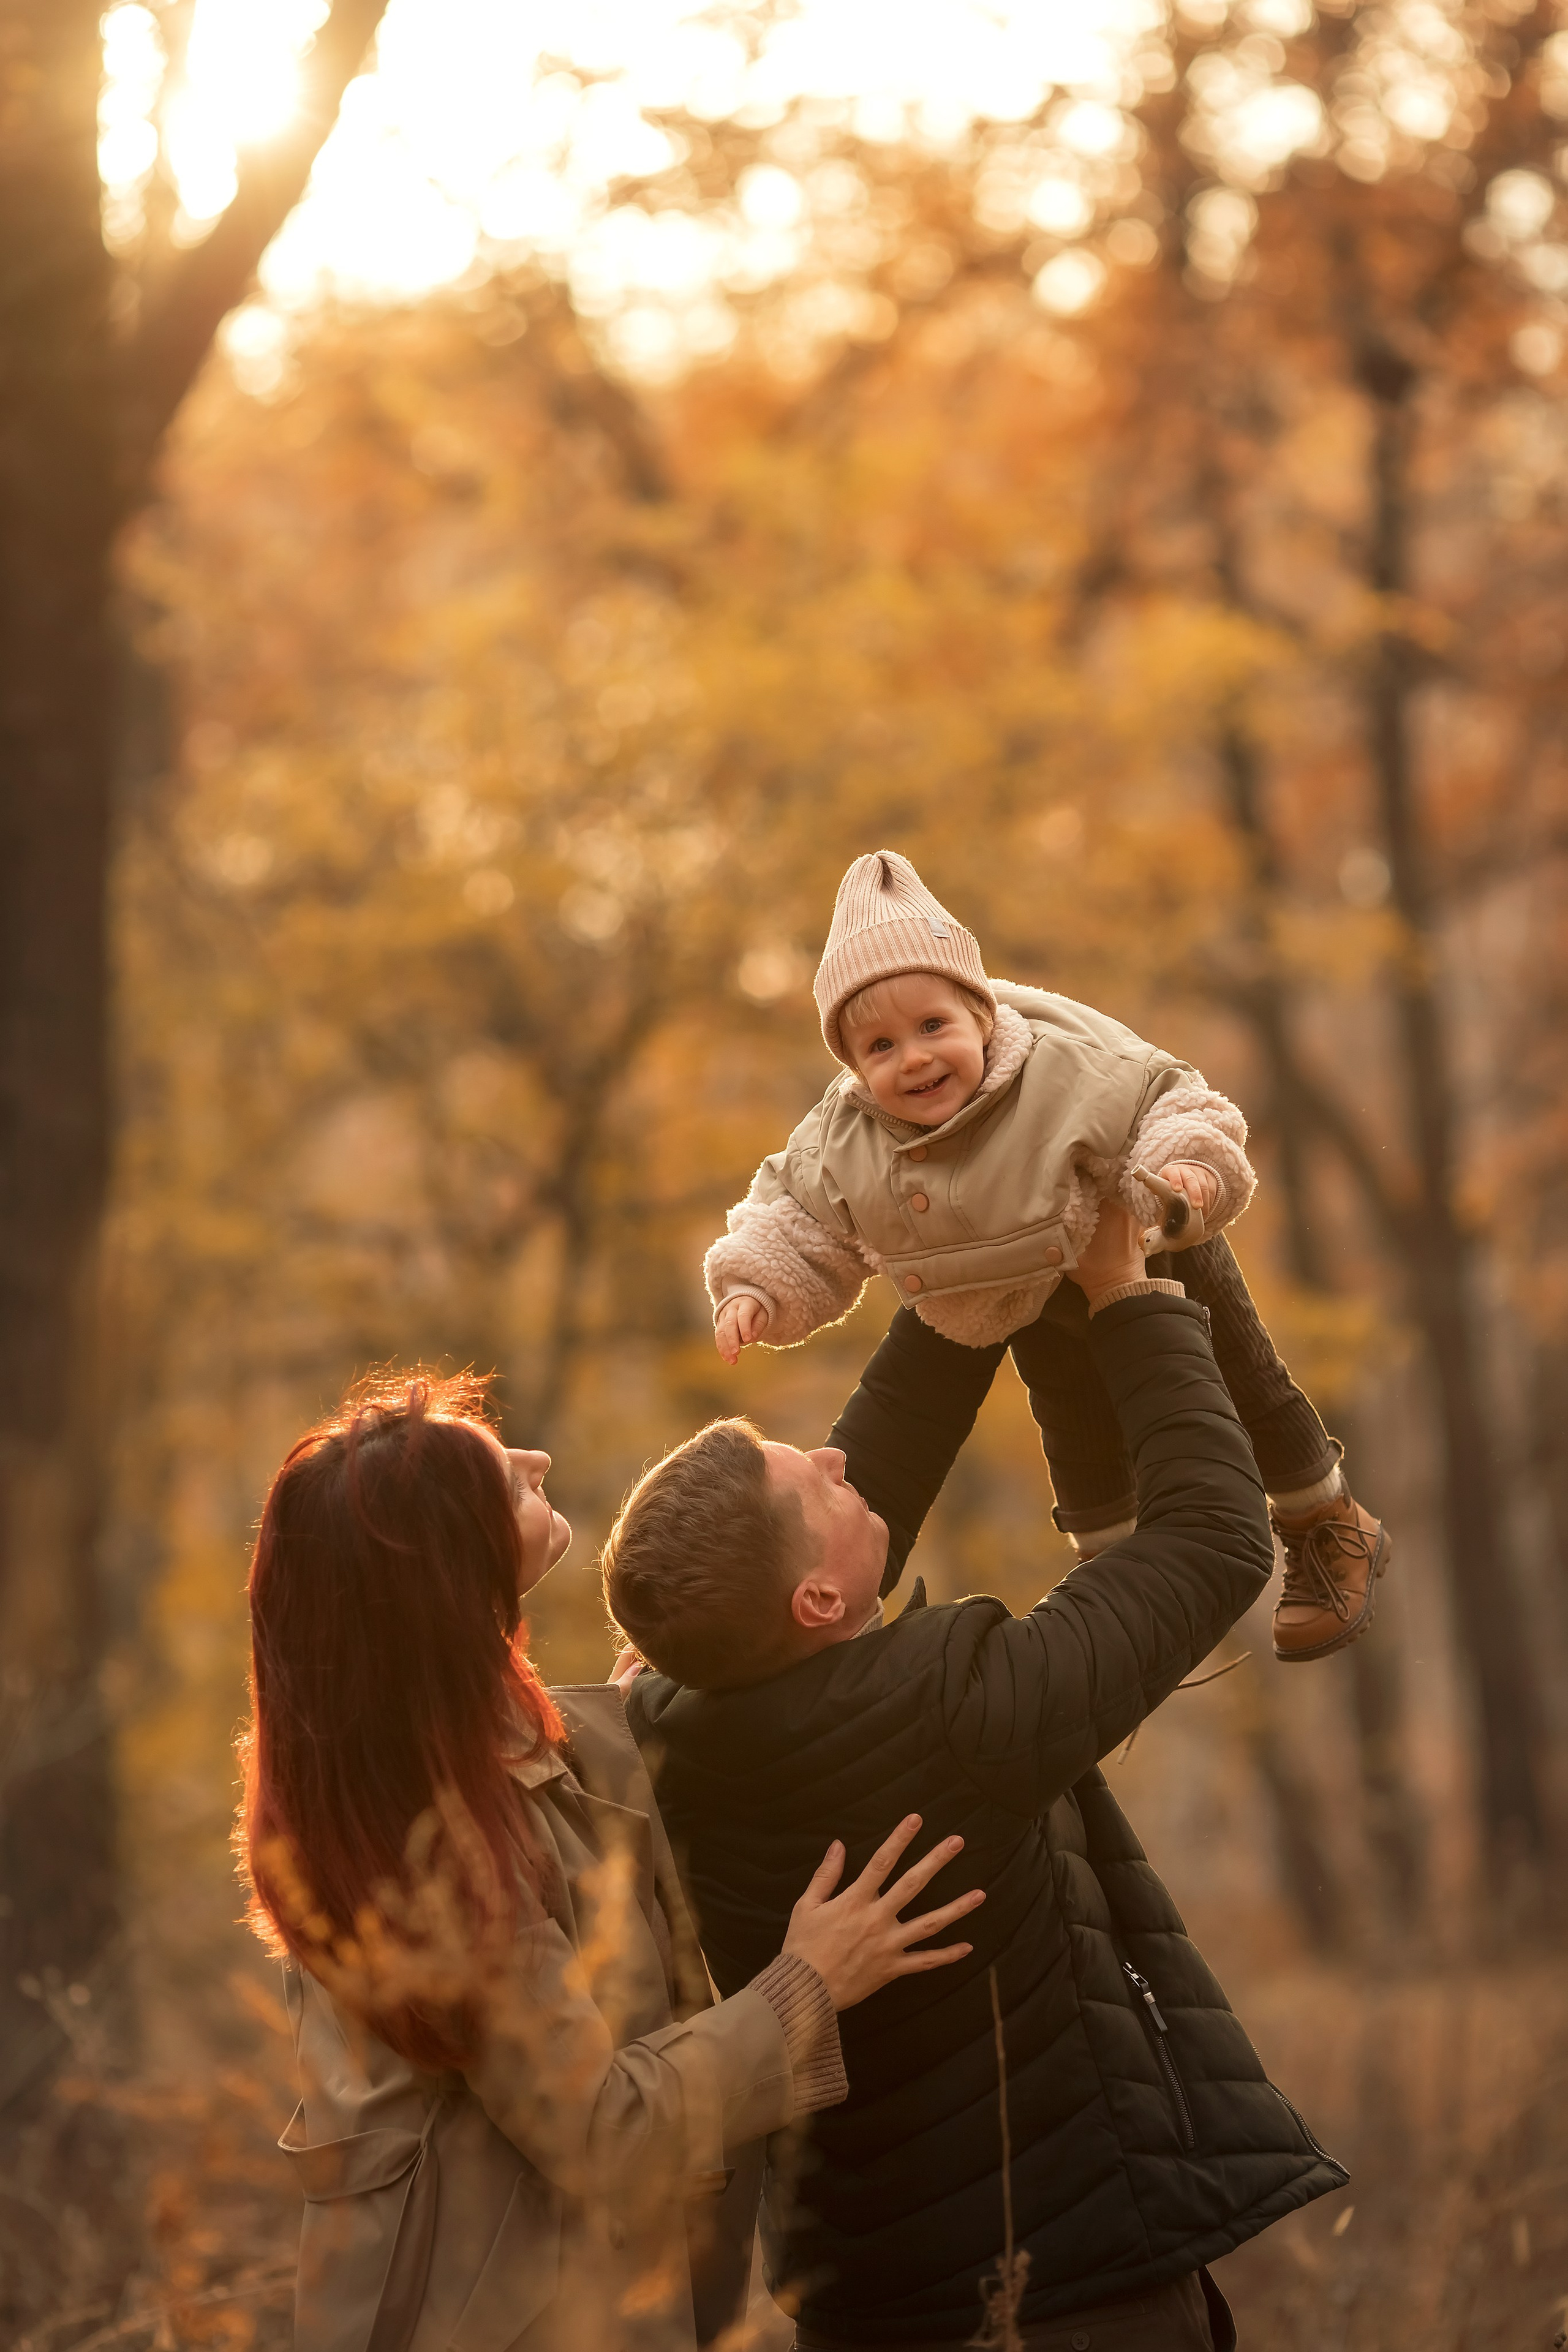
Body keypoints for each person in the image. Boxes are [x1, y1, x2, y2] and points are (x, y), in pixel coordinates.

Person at [605, 1203, 1349, 2351]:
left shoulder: (671, 1717)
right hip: (1076, 2299)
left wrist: (981, 1251)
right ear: (813, 1604)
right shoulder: (964, 1712)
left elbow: (857, 1504)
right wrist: (1129, 1298)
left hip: (865, 2308)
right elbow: (1214, 1539)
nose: (843, 1461)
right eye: (819, 1483)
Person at [237, 1370, 986, 2352]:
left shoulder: (461, 1742)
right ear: (447, 1575)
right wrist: (808, 1984)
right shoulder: (434, 1859)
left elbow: (802, 1548)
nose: (536, 1460)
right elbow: (609, 2133)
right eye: (503, 1482)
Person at [705, 848, 1390, 1664]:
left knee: (1251, 1384)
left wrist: (1186, 1172)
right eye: (881, 1046)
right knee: (1080, 1442)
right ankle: (1121, 1595)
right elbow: (791, 1216)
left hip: (1144, 1242)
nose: (915, 1058)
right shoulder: (843, 1137)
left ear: (981, 1015)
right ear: (853, 1069)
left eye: (933, 1027)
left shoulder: (1063, 1067)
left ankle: (1327, 1522)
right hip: (1001, 1296)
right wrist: (754, 1288)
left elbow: (1170, 1098)